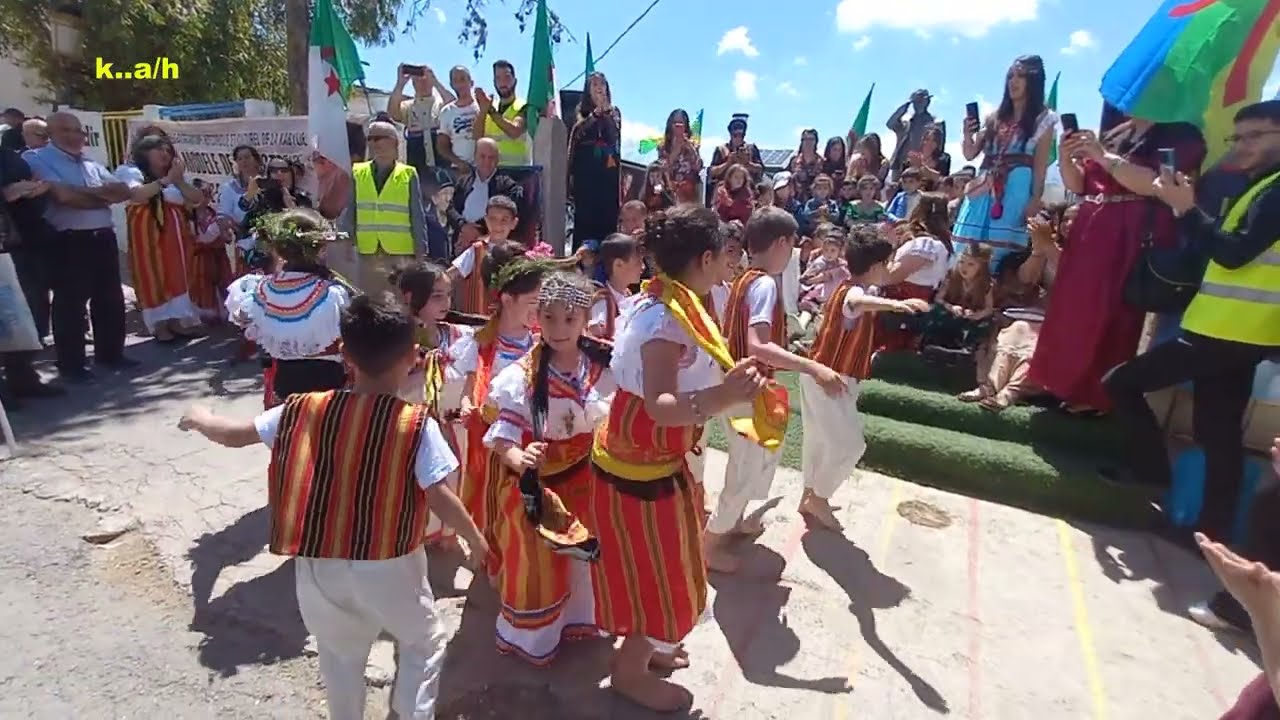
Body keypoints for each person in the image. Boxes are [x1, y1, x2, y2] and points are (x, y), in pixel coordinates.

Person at [176, 294, 489, 720]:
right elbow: (439, 494)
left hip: (319, 563)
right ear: (414, 358)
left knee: (341, 658)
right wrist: (475, 539)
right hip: (389, 562)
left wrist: (199, 416)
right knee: (423, 642)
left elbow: (233, 435)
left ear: (344, 354)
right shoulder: (415, 424)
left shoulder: (301, 409)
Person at [588, 205, 769, 711]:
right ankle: (629, 671)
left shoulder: (665, 297)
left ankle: (647, 648)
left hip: (645, 459)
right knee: (666, 577)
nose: (731, 264)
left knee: (653, 566)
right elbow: (661, 407)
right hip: (641, 465)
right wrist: (726, 396)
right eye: (725, 255)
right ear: (706, 257)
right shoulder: (668, 317)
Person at [1101, 100, 1280, 550]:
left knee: (1122, 382)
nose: (1241, 146)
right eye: (1236, 138)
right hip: (1233, 331)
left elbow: (1233, 252)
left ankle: (1150, 474)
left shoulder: (1275, 190)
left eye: (1253, 136)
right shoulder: (1260, 186)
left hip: (1230, 332)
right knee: (1217, 435)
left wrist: (1185, 209)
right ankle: (1208, 536)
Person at [1029, 108, 1206, 415]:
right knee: (1074, 309)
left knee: (1114, 313)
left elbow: (1156, 184)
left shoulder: (1181, 134)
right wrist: (1068, 158)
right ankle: (1062, 384)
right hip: (1094, 226)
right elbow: (1080, 185)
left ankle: (1096, 396)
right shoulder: (1115, 133)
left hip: (1133, 229)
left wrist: (1102, 156)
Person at [483, 271, 614, 664]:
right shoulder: (520, 377)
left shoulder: (604, 363)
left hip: (591, 480)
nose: (559, 328)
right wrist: (515, 457)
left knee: (588, 557)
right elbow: (503, 432)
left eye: (569, 319)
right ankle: (535, 638)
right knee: (540, 563)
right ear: (536, 317)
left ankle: (583, 621)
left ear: (586, 319)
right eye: (550, 318)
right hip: (540, 487)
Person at [709, 206, 844, 571]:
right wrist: (812, 367)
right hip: (746, 389)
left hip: (736, 385)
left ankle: (730, 524)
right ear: (783, 242)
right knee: (746, 466)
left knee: (751, 460)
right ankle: (711, 543)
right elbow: (758, 345)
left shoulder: (743, 278)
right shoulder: (766, 282)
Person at [802, 229, 928, 527]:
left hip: (824, 374)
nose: (890, 269)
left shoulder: (851, 287)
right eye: (888, 263)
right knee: (850, 446)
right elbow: (857, 303)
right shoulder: (852, 291)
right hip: (831, 378)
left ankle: (809, 495)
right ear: (874, 267)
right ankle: (817, 498)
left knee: (819, 440)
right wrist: (897, 305)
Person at [23, 111, 135, 381]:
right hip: (69, 241)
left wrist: (83, 193)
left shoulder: (90, 162)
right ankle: (72, 365)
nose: (74, 136)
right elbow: (64, 198)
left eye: (78, 131)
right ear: (50, 133)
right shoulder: (36, 159)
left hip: (102, 236)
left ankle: (111, 355)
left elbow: (121, 191)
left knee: (110, 298)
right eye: (66, 130)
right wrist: (99, 196)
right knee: (70, 304)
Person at [392, 260, 486, 549]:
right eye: (437, 296)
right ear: (410, 297)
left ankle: (448, 534)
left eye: (448, 294)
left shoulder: (460, 335)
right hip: (414, 428)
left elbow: (472, 373)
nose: (446, 302)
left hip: (453, 424)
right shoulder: (397, 339)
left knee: (456, 477)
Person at [455, 242, 546, 533]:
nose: (539, 311)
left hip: (533, 444)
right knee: (491, 510)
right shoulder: (480, 343)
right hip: (491, 446)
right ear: (507, 298)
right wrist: (469, 405)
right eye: (533, 302)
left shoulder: (544, 343)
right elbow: (471, 388)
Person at [226, 209, 353, 409]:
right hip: (328, 385)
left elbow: (242, 318)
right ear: (320, 250)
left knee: (291, 432)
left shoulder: (261, 290)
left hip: (285, 383)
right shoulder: (331, 293)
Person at [953, 56, 1056, 269]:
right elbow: (970, 154)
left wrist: (1035, 198)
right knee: (968, 246)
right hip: (982, 188)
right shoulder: (995, 117)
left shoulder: (1043, 119)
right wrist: (967, 134)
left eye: (1020, 76)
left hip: (1015, 190)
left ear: (1033, 81)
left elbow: (1039, 165)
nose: (1013, 81)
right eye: (1010, 76)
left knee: (1001, 250)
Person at [345, 121, 428, 296]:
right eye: (370, 139)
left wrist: (421, 252)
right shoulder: (358, 172)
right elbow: (350, 210)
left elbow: (417, 216)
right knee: (370, 301)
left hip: (400, 253)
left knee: (398, 301)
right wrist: (347, 242)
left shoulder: (409, 173)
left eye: (379, 138)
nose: (374, 143)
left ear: (395, 142)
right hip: (368, 252)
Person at [878, 192, 954, 352]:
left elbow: (891, 277)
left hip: (906, 298)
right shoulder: (937, 243)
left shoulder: (926, 244)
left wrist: (890, 247)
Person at [567, 72, 622, 244]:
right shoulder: (580, 112)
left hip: (607, 171)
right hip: (586, 172)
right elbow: (578, 133)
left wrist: (605, 114)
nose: (599, 88)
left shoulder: (614, 112)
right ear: (588, 90)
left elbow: (615, 135)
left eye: (602, 84)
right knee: (585, 219)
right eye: (595, 85)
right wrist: (595, 115)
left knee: (607, 219)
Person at [448, 195, 521, 315]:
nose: (498, 225)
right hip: (478, 319)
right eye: (493, 219)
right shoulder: (476, 250)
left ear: (514, 223)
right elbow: (452, 274)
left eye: (504, 220)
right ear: (486, 220)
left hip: (506, 320)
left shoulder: (517, 254)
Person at [387, 63, 456, 179]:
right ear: (413, 84)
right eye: (417, 80)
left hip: (444, 167)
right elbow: (393, 113)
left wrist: (436, 82)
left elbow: (454, 106)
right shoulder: (408, 106)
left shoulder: (441, 104)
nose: (422, 83)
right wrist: (400, 84)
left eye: (425, 79)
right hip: (418, 170)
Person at [452, 137, 527, 239]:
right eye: (482, 156)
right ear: (475, 157)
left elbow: (506, 215)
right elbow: (451, 209)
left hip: (491, 240)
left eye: (491, 157)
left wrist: (476, 231)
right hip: (462, 237)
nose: (487, 161)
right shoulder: (463, 182)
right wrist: (463, 226)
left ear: (497, 160)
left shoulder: (508, 186)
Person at [587, 233, 643, 340]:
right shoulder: (604, 302)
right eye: (637, 263)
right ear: (618, 264)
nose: (643, 267)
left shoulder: (627, 295)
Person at [481, 59, 531, 167]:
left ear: (515, 81)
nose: (502, 83)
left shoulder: (524, 106)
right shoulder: (488, 107)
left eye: (507, 77)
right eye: (498, 78)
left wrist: (491, 112)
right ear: (494, 82)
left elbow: (515, 131)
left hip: (517, 172)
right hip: (491, 171)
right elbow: (476, 137)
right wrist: (483, 111)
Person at [437, 66, 481, 173]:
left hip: (483, 167)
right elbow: (442, 146)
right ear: (451, 84)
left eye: (463, 79)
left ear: (471, 82)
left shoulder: (481, 106)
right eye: (455, 80)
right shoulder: (447, 111)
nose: (460, 84)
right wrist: (458, 162)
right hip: (459, 170)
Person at [886, 89, 936, 182]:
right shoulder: (905, 124)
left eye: (921, 101)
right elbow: (890, 124)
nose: (918, 104)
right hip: (900, 165)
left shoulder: (934, 123)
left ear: (928, 102)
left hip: (921, 166)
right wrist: (904, 108)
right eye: (916, 102)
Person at [658, 109, 703, 204]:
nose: (677, 126)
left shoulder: (693, 145)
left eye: (681, 123)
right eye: (675, 123)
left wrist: (690, 148)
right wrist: (676, 149)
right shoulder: (663, 146)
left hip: (690, 191)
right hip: (671, 191)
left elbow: (698, 167)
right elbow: (663, 169)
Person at [709, 114, 764, 187]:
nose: (738, 138)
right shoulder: (721, 149)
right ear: (730, 134)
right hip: (725, 190)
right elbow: (712, 172)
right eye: (735, 135)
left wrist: (747, 164)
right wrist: (728, 163)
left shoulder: (751, 148)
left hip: (748, 190)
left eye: (741, 135)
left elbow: (761, 169)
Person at [788, 129, 823, 202]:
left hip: (815, 202)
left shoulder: (822, 162)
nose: (808, 142)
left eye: (811, 139)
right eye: (805, 139)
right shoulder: (794, 161)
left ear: (816, 142)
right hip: (796, 201)